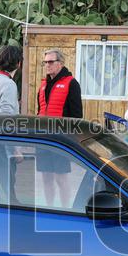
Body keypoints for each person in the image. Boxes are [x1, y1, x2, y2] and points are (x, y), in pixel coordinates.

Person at [37, 50, 83, 206]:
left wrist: (71, 139)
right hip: (43, 137)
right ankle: (49, 207)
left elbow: (77, 116)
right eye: (46, 62)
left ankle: (65, 209)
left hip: (60, 139)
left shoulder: (71, 83)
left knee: (60, 177)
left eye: (51, 62)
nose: (47, 65)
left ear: (60, 63)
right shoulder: (43, 84)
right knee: (46, 177)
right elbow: (40, 111)